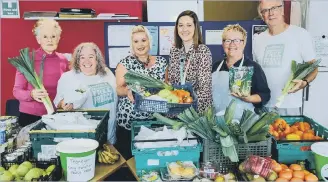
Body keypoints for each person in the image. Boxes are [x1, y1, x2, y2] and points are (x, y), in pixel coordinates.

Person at [253, 0, 318, 115]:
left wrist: (305, 82)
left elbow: (313, 66)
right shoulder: (258, 39)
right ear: (262, 15)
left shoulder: (300, 34)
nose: (271, 13)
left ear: (282, 10)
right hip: (264, 104)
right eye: (265, 10)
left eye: (274, 8)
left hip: (289, 104)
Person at [115, 25, 168, 159]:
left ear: (149, 42)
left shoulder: (162, 62)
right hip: (130, 123)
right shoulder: (124, 63)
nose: (140, 44)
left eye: (143, 40)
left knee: (154, 159)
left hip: (156, 120)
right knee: (131, 162)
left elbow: (167, 87)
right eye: (136, 41)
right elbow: (119, 89)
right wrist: (127, 90)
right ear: (131, 44)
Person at [54, 42, 118, 144]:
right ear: (77, 60)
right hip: (85, 137)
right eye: (82, 57)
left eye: (91, 57)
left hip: (109, 134)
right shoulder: (68, 77)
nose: (86, 61)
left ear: (97, 59)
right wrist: (64, 104)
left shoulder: (107, 73)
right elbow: (58, 102)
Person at [13, 19, 69, 127]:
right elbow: (16, 91)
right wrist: (31, 94)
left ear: (58, 38)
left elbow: (66, 88)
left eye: (53, 36)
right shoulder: (27, 59)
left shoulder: (63, 60)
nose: (50, 40)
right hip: (30, 116)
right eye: (45, 37)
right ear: (38, 39)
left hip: (55, 114)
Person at [212, 24, 270, 115]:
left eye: (237, 40)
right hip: (217, 122)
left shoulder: (253, 67)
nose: (232, 44)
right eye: (228, 40)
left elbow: (265, 95)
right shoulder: (215, 67)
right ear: (223, 44)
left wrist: (249, 98)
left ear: (244, 43)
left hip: (244, 124)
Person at [166, 10, 212, 113]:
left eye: (189, 25)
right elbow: (172, 82)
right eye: (181, 25)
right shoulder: (174, 51)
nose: (184, 29)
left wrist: (186, 103)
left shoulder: (202, 51)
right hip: (176, 109)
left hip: (197, 112)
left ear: (195, 27)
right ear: (177, 28)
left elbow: (205, 90)